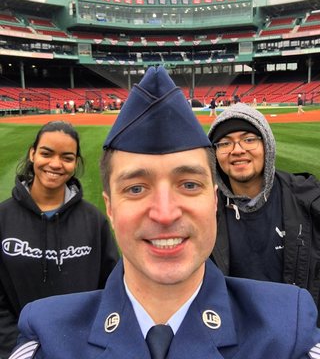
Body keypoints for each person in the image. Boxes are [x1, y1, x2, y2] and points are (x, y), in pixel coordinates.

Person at [9, 68, 320, 359]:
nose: (165, 213)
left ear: (214, 201)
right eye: (135, 188)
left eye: (188, 184)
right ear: (110, 208)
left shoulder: (291, 332)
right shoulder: (46, 337)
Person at [0, 121, 119, 358]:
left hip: (81, 348)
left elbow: (111, 288)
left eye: (67, 157)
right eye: (46, 153)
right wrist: (17, 348)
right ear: (33, 154)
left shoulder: (94, 221)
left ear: (75, 163)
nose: (55, 164)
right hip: (18, 350)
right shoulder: (3, 218)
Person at [207, 103, 320, 322]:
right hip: (238, 337)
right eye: (225, 143)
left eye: (249, 139)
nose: (237, 150)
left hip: (300, 333)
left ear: (266, 143)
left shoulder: (308, 198)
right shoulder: (205, 210)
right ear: (215, 154)